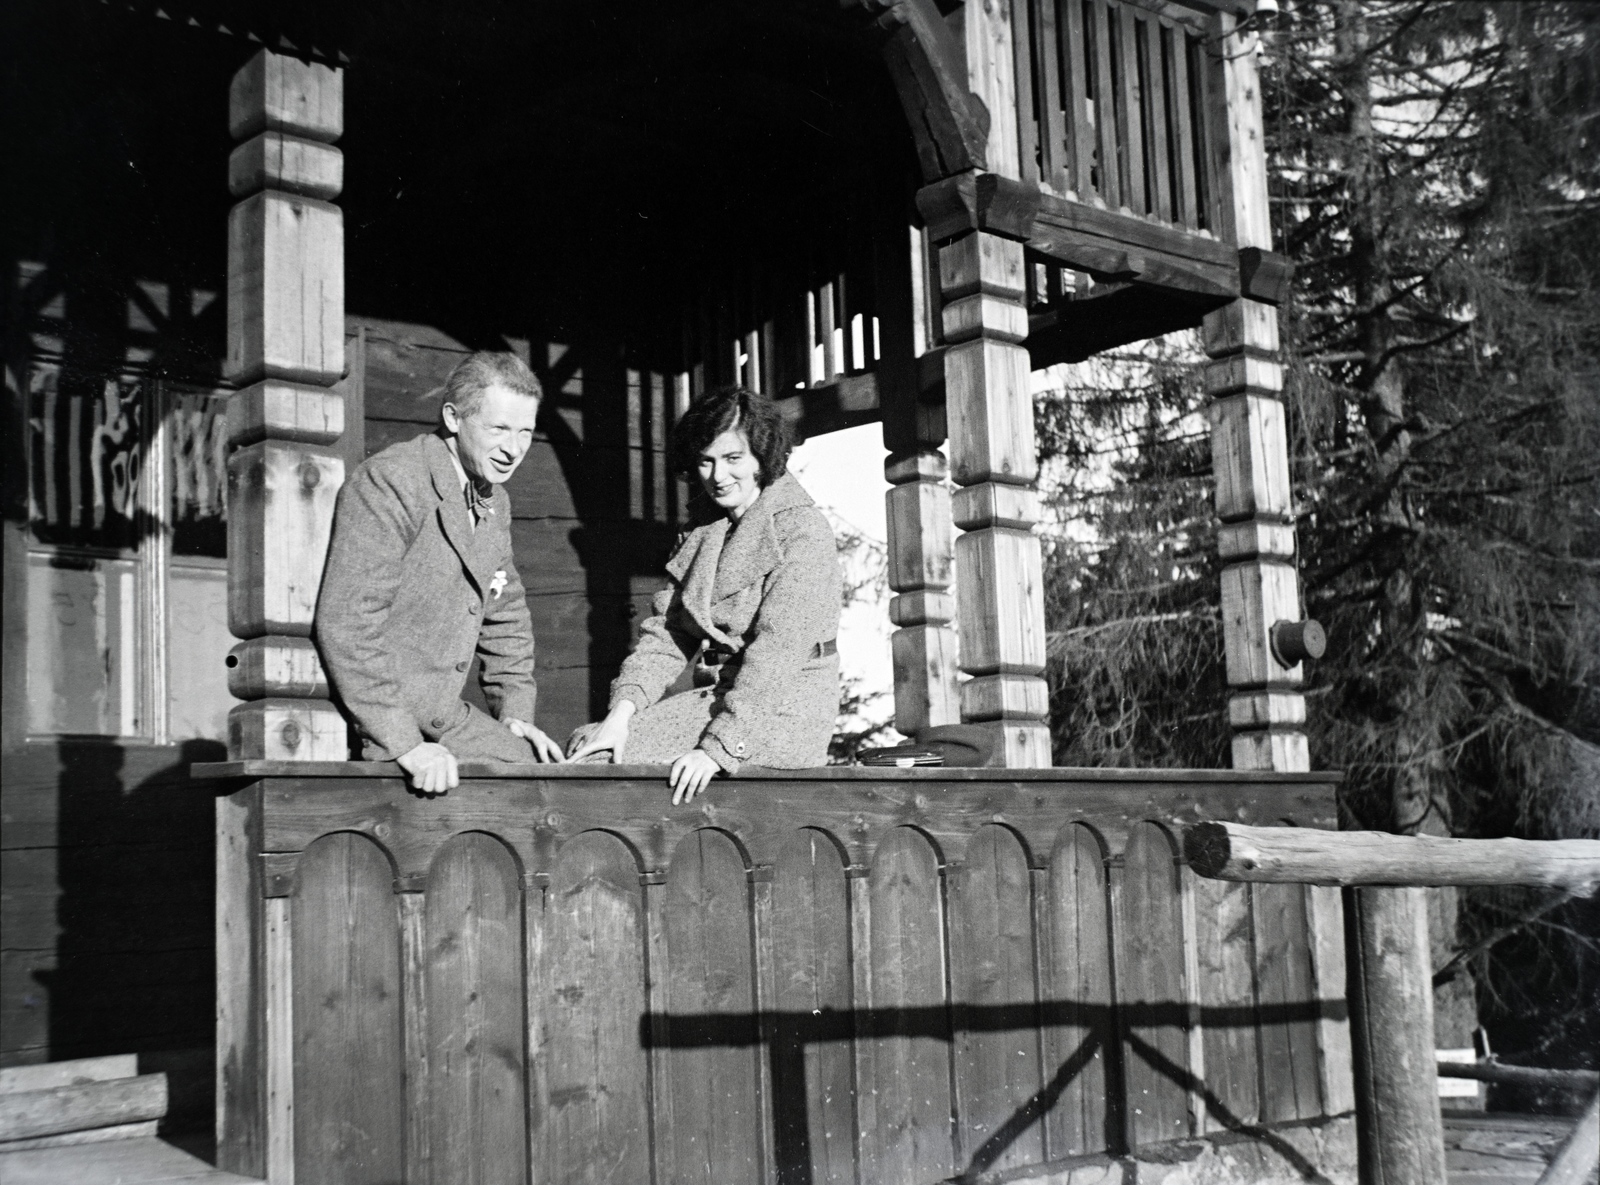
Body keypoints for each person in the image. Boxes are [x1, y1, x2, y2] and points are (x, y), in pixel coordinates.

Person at [568, 385, 842, 802]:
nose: (717, 476)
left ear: (762, 457)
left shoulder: (801, 532)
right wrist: (620, 715)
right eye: (706, 461)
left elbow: (775, 658)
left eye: (733, 459)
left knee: (602, 770)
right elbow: (667, 634)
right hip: (722, 698)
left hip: (782, 713)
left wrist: (717, 750)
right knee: (590, 742)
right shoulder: (704, 531)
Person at [315, 350, 564, 795]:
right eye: (499, 429)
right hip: (375, 716)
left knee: (538, 772)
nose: (514, 448)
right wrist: (404, 746)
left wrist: (516, 716)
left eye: (525, 432)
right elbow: (348, 623)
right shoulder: (393, 481)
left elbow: (504, 616)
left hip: (441, 715)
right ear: (453, 417)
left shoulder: (493, 499)